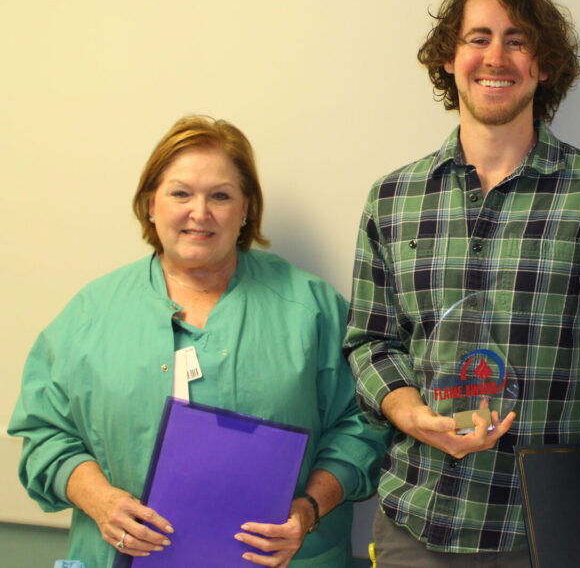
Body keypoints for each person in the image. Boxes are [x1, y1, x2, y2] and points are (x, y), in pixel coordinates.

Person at [343, 0, 580, 567]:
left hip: (551, 532)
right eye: (478, 38)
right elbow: (370, 342)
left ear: (544, 66)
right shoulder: (393, 198)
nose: (496, 57)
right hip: (418, 523)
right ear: (449, 58)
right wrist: (410, 412)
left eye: (517, 40)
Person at [9, 116, 390, 567]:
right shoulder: (91, 314)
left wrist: (307, 509)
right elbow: (45, 432)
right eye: (180, 193)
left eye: (221, 196)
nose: (200, 212)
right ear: (150, 203)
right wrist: (100, 500)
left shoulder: (310, 308)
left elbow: (363, 423)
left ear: (247, 209)